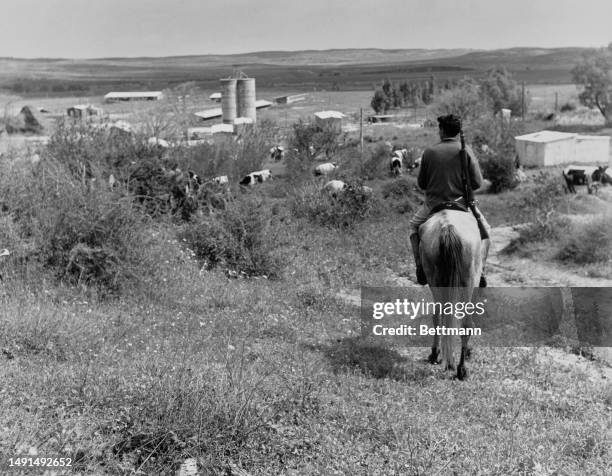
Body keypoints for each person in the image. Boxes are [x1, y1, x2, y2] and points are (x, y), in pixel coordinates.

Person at [409, 114, 491, 287]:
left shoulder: (430, 152)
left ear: (441, 130)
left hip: (433, 205)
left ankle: (420, 268)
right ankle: (481, 270)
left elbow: (422, 183)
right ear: (457, 131)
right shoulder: (466, 150)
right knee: (486, 230)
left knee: (414, 226)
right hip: (462, 204)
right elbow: (477, 183)